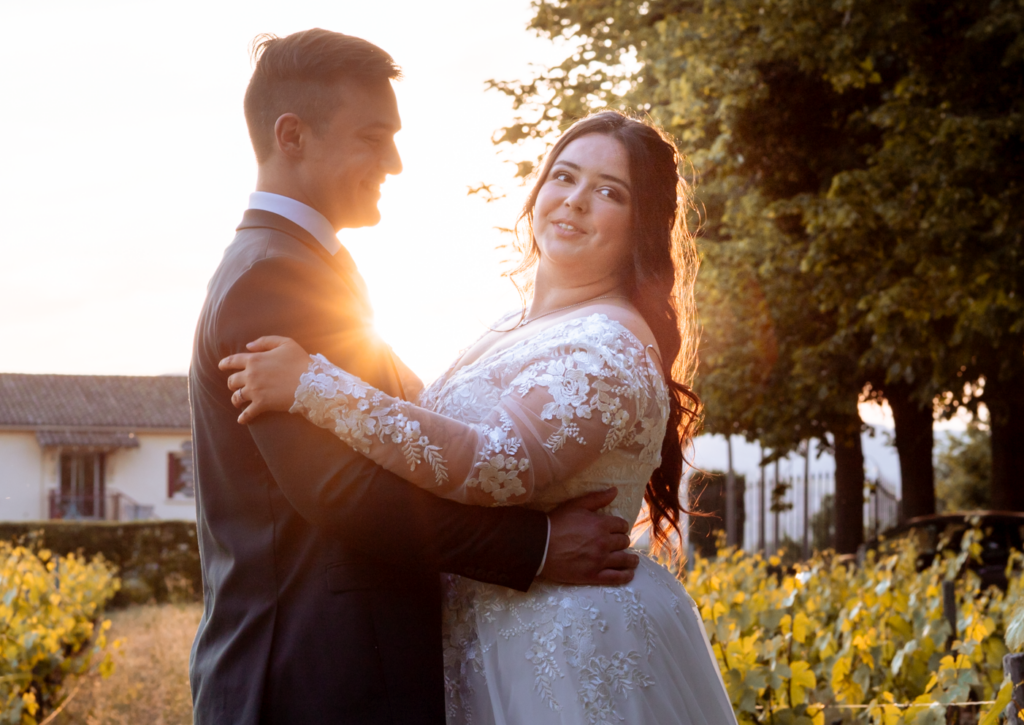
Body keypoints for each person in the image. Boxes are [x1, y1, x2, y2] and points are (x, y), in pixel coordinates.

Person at [221, 110, 738, 724]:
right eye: (563, 177)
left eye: (608, 191)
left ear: (642, 227)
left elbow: (498, 462)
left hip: (563, 648)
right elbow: (433, 413)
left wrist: (314, 385)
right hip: (484, 641)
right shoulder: (512, 326)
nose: (574, 201)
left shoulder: (607, 347)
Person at [188, 29, 639, 725]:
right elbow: (347, 490)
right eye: (373, 137)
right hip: (309, 683)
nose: (395, 162)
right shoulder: (274, 277)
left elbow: (406, 425)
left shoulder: (306, 265)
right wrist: (538, 546)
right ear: (293, 136)